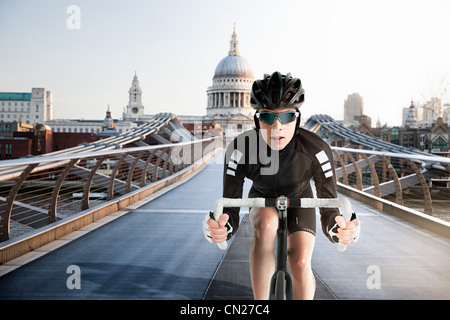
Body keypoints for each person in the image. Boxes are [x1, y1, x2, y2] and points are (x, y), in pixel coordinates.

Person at [203, 71, 360, 300]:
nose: (277, 127)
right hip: (262, 196)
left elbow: (329, 207)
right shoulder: (240, 149)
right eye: (268, 117)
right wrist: (221, 227)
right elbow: (230, 207)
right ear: (257, 120)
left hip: (301, 198)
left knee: (300, 262)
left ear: (297, 118)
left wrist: (339, 229)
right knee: (265, 225)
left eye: (286, 117)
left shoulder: (317, 149)